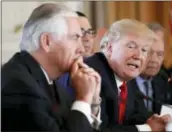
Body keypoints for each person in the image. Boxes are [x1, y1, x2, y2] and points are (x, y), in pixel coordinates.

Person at [1, 3, 101, 131]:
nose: (81, 49)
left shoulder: (50, 81)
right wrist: (83, 99)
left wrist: (92, 103)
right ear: (47, 41)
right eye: (75, 38)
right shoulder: (19, 88)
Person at [85, 19, 170, 131]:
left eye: (144, 50)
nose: (138, 56)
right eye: (131, 46)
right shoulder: (93, 73)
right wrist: (146, 128)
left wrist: (152, 120)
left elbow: (133, 115)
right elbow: (100, 129)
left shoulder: (124, 77)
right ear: (110, 48)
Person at [127, 23, 172, 116]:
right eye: (149, 52)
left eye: (160, 54)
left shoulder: (162, 77)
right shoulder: (124, 80)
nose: (154, 60)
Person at [56, 11, 97, 97]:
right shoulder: (56, 70)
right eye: (81, 32)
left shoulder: (96, 71)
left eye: (90, 32)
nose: (88, 38)